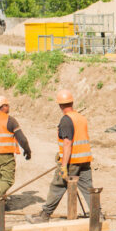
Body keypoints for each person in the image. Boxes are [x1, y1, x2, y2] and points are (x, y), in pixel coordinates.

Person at [27, 89, 94, 223]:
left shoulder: (66, 120)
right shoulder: (80, 118)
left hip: (71, 161)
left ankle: (44, 215)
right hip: (85, 160)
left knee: (57, 186)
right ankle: (98, 214)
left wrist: (63, 165)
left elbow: (68, 143)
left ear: (60, 105)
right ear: (72, 102)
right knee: (89, 189)